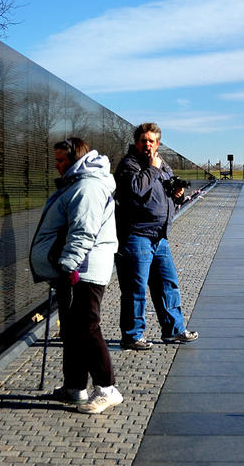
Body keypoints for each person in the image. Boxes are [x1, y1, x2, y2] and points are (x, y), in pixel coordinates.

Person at [29, 137, 123, 414]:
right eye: (55, 160)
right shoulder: (79, 184)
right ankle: (75, 386)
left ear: (75, 160)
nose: (57, 166)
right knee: (72, 328)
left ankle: (107, 389)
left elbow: (83, 232)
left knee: (86, 326)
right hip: (75, 269)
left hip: (85, 270)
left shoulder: (88, 186)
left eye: (61, 160)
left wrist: (69, 265)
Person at [114, 122, 198, 350]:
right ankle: (132, 336)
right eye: (144, 141)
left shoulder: (163, 165)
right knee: (135, 288)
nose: (148, 145)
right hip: (136, 235)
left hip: (160, 238)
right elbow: (135, 190)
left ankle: (174, 330)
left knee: (168, 285)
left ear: (158, 143)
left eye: (152, 141)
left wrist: (178, 195)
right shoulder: (129, 165)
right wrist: (151, 168)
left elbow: (167, 193)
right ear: (136, 143)